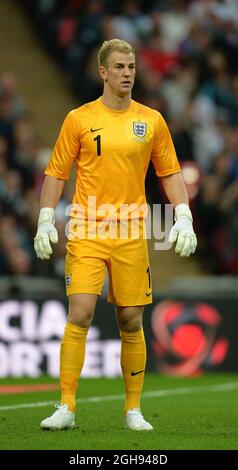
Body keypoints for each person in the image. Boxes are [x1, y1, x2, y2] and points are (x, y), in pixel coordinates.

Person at [34, 38, 197, 431]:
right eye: (120, 67)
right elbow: (57, 173)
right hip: (87, 228)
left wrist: (183, 214)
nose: (128, 73)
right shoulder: (78, 118)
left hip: (130, 231)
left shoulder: (152, 121)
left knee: (130, 320)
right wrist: (44, 219)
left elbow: (170, 173)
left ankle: (133, 411)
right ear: (103, 72)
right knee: (81, 311)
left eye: (132, 67)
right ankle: (67, 407)